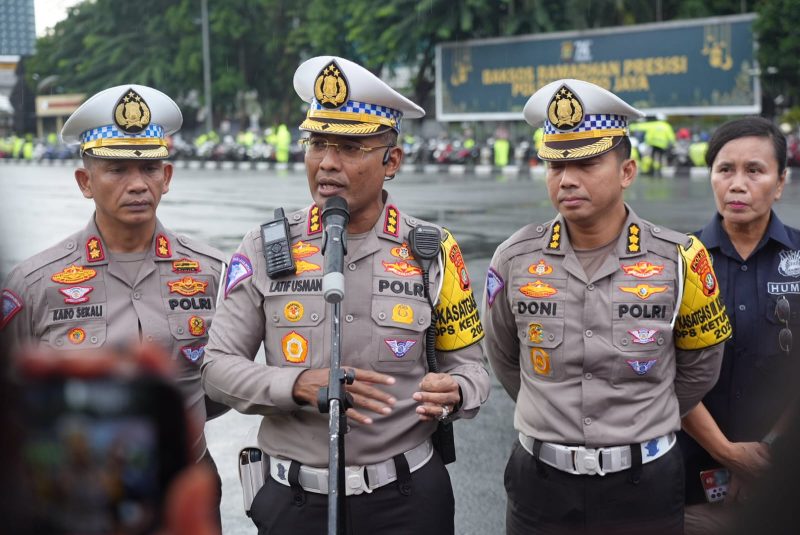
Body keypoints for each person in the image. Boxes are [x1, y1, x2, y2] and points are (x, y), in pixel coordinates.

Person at [201, 55, 490, 535]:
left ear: (390, 160)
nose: (328, 162)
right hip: (294, 502)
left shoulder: (432, 250)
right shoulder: (265, 245)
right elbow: (216, 368)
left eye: (351, 146)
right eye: (317, 143)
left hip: (407, 501)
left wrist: (458, 391)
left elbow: (474, 366)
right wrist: (296, 386)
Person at [482, 79, 731, 534]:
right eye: (555, 165)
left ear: (627, 171)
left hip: (644, 487)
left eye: (587, 162)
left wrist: (638, 417)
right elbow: (504, 358)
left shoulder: (681, 259)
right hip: (541, 486)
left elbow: (701, 366)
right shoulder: (515, 258)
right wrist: (553, 410)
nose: (567, 179)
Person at [0, 84, 227, 510]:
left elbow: (224, 382)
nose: (138, 185)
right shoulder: (34, 284)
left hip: (188, 489)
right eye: (118, 170)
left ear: (168, 176)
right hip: (80, 498)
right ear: (85, 182)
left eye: (149, 169)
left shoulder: (211, 272)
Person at [678, 117, 800, 533]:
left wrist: (768, 453)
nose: (737, 183)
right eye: (725, 169)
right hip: (690, 482)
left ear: (780, 182)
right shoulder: (677, 261)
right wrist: (727, 452)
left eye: (755, 170)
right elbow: (661, 372)